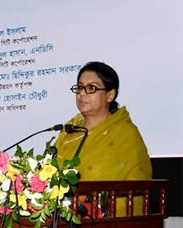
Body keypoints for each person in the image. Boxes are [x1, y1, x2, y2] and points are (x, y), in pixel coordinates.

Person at [55, 61, 152, 216]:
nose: (82, 93)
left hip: (107, 227)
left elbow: (136, 185)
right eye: (80, 87)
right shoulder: (69, 131)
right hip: (61, 221)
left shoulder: (125, 134)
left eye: (91, 88)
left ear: (110, 95)